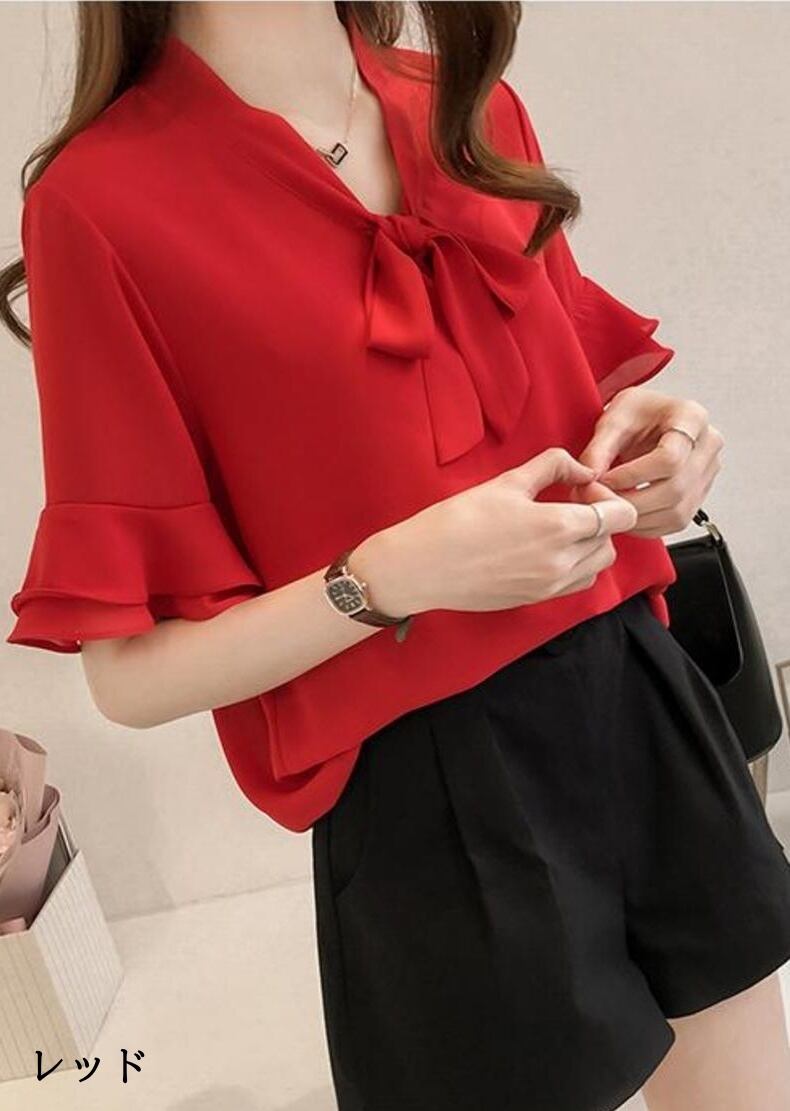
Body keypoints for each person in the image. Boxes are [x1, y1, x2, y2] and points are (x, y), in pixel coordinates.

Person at [2, 3, 789, 1108]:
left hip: (641, 702)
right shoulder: (100, 205)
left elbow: (579, 420)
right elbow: (127, 678)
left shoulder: (467, 103)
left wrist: (667, 449)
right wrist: (387, 578)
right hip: (432, 798)